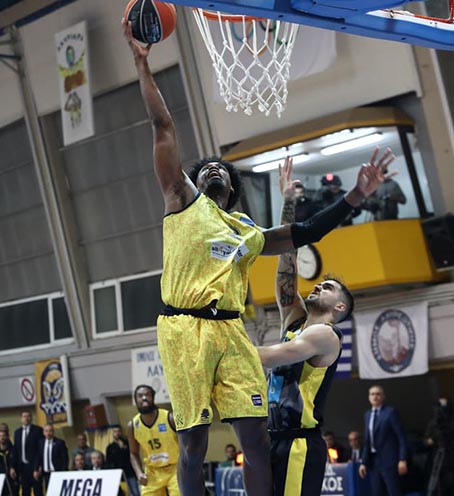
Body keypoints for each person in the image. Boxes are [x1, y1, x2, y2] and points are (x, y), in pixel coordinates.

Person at [122, 16, 394, 496]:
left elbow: (305, 232)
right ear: (193, 182)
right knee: (193, 443)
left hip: (230, 328)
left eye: (221, 170)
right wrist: (142, 64)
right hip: (183, 326)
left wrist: (355, 197)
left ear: (232, 189)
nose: (213, 170)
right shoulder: (181, 201)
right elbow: (162, 126)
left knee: (255, 436)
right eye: (205, 169)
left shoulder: (248, 232)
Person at [256, 156, 365, 496]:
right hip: (273, 438)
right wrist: (287, 203)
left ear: (339, 307)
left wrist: (224, 347)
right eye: (320, 283)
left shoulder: (326, 336)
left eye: (328, 287)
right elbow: (286, 263)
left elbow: (279, 355)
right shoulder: (295, 320)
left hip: (299, 444)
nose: (318, 285)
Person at [128, 385, 179, 496]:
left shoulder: (169, 417)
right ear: (135, 400)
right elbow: (133, 453)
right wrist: (139, 473)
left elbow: (185, 445)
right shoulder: (133, 425)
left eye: (147, 395)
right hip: (152, 471)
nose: (144, 398)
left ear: (153, 397)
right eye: (140, 396)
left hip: (175, 469)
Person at [359, 385, 408, 496]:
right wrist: (363, 463)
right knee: (377, 492)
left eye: (378, 394)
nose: (375, 397)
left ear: (383, 397)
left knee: (393, 491)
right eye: (372, 394)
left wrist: (402, 459)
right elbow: (368, 441)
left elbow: (401, 437)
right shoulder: (367, 415)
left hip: (389, 460)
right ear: (369, 397)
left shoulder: (390, 412)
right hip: (373, 462)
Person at [13, 410, 43, 496]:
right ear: (21, 418)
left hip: (34, 466)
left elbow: (40, 450)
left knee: (37, 490)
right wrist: (13, 467)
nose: (26, 418)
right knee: (25, 491)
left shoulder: (37, 430)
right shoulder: (17, 432)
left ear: (31, 418)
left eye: (28, 416)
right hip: (22, 467)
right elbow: (16, 451)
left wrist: (37, 467)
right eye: (24, 416)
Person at [106, 425, 140, 496]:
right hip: (118, 474)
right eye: (115, 432)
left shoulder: (128, 443)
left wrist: (124, 448)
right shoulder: (110, 447)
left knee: (135, 492)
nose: (117, 433)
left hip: (130, 472)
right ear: (112, 433)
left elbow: (133, 455)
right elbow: (109, 461)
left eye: (118, 431)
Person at [34, 423, 68, 490]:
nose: (48, 433)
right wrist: (36, 469)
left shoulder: (59, 443)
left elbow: (65, 459)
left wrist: (63, 472)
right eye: (46, 431)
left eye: (50, 431)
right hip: (46, 474)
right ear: (43, 432)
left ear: (53, 432)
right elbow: (38, 457)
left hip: (57, 473)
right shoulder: (41, 443)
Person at [0, 429, 18, 496]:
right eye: (0, 436)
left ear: (7, 437)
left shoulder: (13, 450)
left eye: (4, 435)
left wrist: (12, 468)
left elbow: (16, 463)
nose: (2, 437)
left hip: (11, 479)